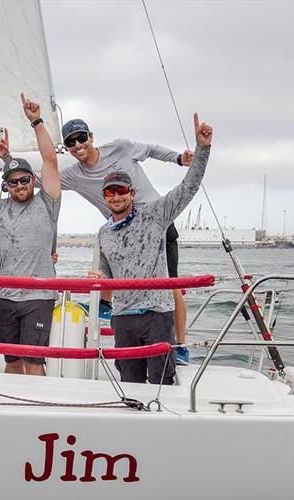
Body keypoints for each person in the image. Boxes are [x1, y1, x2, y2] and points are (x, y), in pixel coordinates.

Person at [0, 118, 194, 365]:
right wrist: (8, 159)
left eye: (81, 138)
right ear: (67, 147)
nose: (77, 144)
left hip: (156, 223)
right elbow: (34, 177)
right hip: (119, 231)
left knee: (170, 284)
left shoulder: (120, 147)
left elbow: (151, 150)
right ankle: (105, 304)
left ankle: (180, 346)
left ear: (91, 135)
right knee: (110, 265)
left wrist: (178, 159)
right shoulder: (74, 175)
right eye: (70, 142)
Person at [88, 113, 212, 385]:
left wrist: (202, 149)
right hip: (123, 318)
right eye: (110, 192)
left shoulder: (154, 215)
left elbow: (187, 188)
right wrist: (100, 279)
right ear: (105, 198)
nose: (117, 196)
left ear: (132, 193)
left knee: (161, 384)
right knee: (130, 384)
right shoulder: (103, 233)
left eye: (121, 190)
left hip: (156, 315)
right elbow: (107, 273)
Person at [0, 94, 61, 376]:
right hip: (6, 296)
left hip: (38, 296)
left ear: (34, 180)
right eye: (13, 181)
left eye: (25, 179)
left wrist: (37, 122)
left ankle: (39, 414)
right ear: (6, 186)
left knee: (33, 362)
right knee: (11, 362)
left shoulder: (48, 201)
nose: (20, 184)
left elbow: (50, 160)